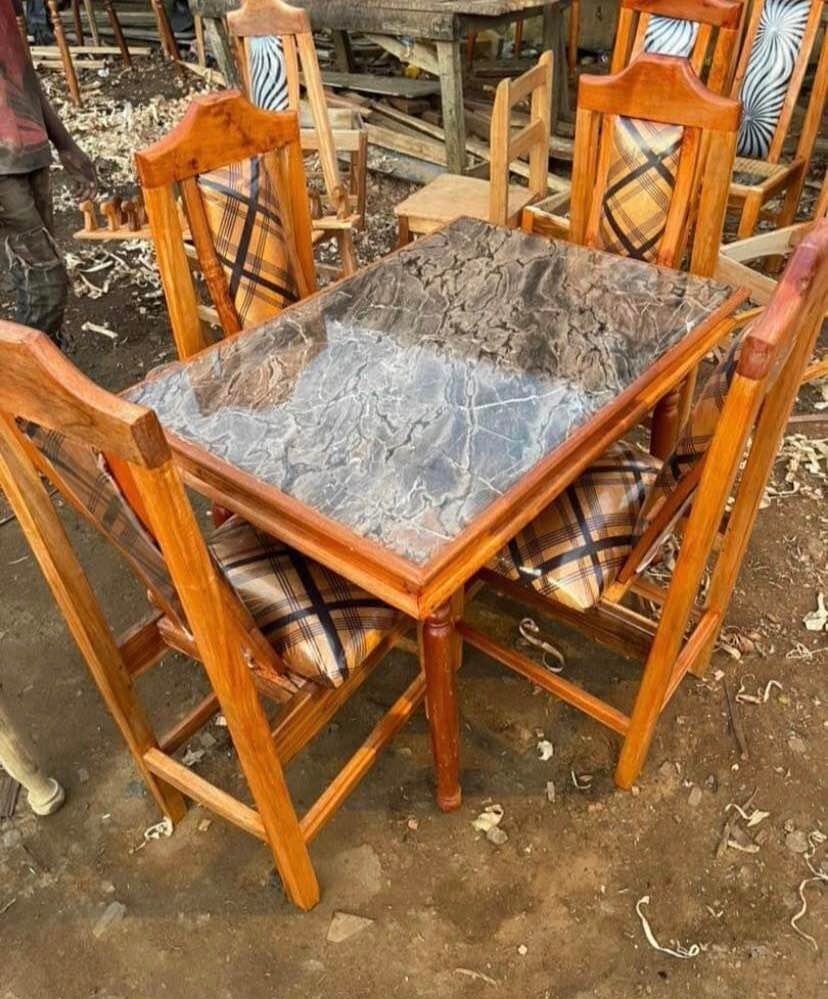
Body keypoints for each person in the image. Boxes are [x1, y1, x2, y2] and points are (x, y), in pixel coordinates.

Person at [1, 0, 96, 345]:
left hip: (28, 144)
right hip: (4, 164)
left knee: (37, 279)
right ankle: (32, 378)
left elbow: (19, 67)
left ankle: (39, 366)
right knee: (47, 283)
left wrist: (64, 143)